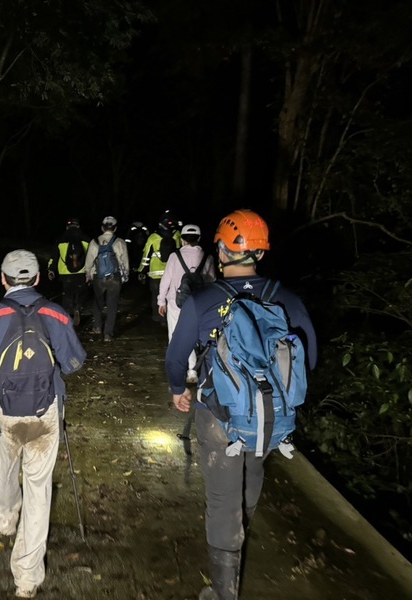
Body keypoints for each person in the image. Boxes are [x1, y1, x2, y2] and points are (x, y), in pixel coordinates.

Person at [165, 210, 317, 600]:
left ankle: (223, 591)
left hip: (219, 413)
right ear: (260, 254)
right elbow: (309, 358)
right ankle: (243, 525)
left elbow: (176, 356)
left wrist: (177, 388)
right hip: (271, 417)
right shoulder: (287, 298)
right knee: (253, 474)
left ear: (220, 249)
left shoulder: (204, 300)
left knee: (222, 497)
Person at [0, 250, 86, 599]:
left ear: (3, 279)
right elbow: (74, 362)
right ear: (39, 278)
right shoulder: (55, 313)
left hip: (7, 415)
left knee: (5, 470)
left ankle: (5, 517)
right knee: (39, 490)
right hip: (45, 414)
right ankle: (27, 578)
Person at [157, 223, 216, 383]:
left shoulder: (174, 257)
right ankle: (192, 370)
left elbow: (166, 280)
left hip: (176, 303)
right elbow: (212, 282)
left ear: (182, 239)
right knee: (195, 336)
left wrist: (161, 300)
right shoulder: (207, 257)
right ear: (199, 238)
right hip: (199, 304)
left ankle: (177, 373)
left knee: (175, 337)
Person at [84, 216, 129, 341]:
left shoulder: (94, 242)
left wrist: (88, 274)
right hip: (114, 277)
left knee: (98, 302)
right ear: (115, 228)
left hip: (98, 278)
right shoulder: (120, 242)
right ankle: (108, 333)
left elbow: (89, 262)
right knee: (112, 305)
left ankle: (97, 327)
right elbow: (125, 262)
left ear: (102, 228)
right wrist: (125, 277)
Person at [138, 211, 182, 324]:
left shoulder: (153, 237)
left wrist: (141, 270)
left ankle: (157, 316)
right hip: (172, 273)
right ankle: (169, 317)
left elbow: (146, 256)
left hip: (155, 274)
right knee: (171, 295)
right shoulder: (177, 235)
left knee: (156, 295)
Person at [47, 217, 92, 326]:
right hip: (82, 271)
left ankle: (67, 314)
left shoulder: (61, 239)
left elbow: (54, 257)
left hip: (65, 272)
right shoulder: (86, 239)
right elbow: (91, 256)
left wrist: (51, 269)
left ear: (67, 227)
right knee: (81, 291)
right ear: (78, 226)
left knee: (67, 291)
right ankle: (78, 307)